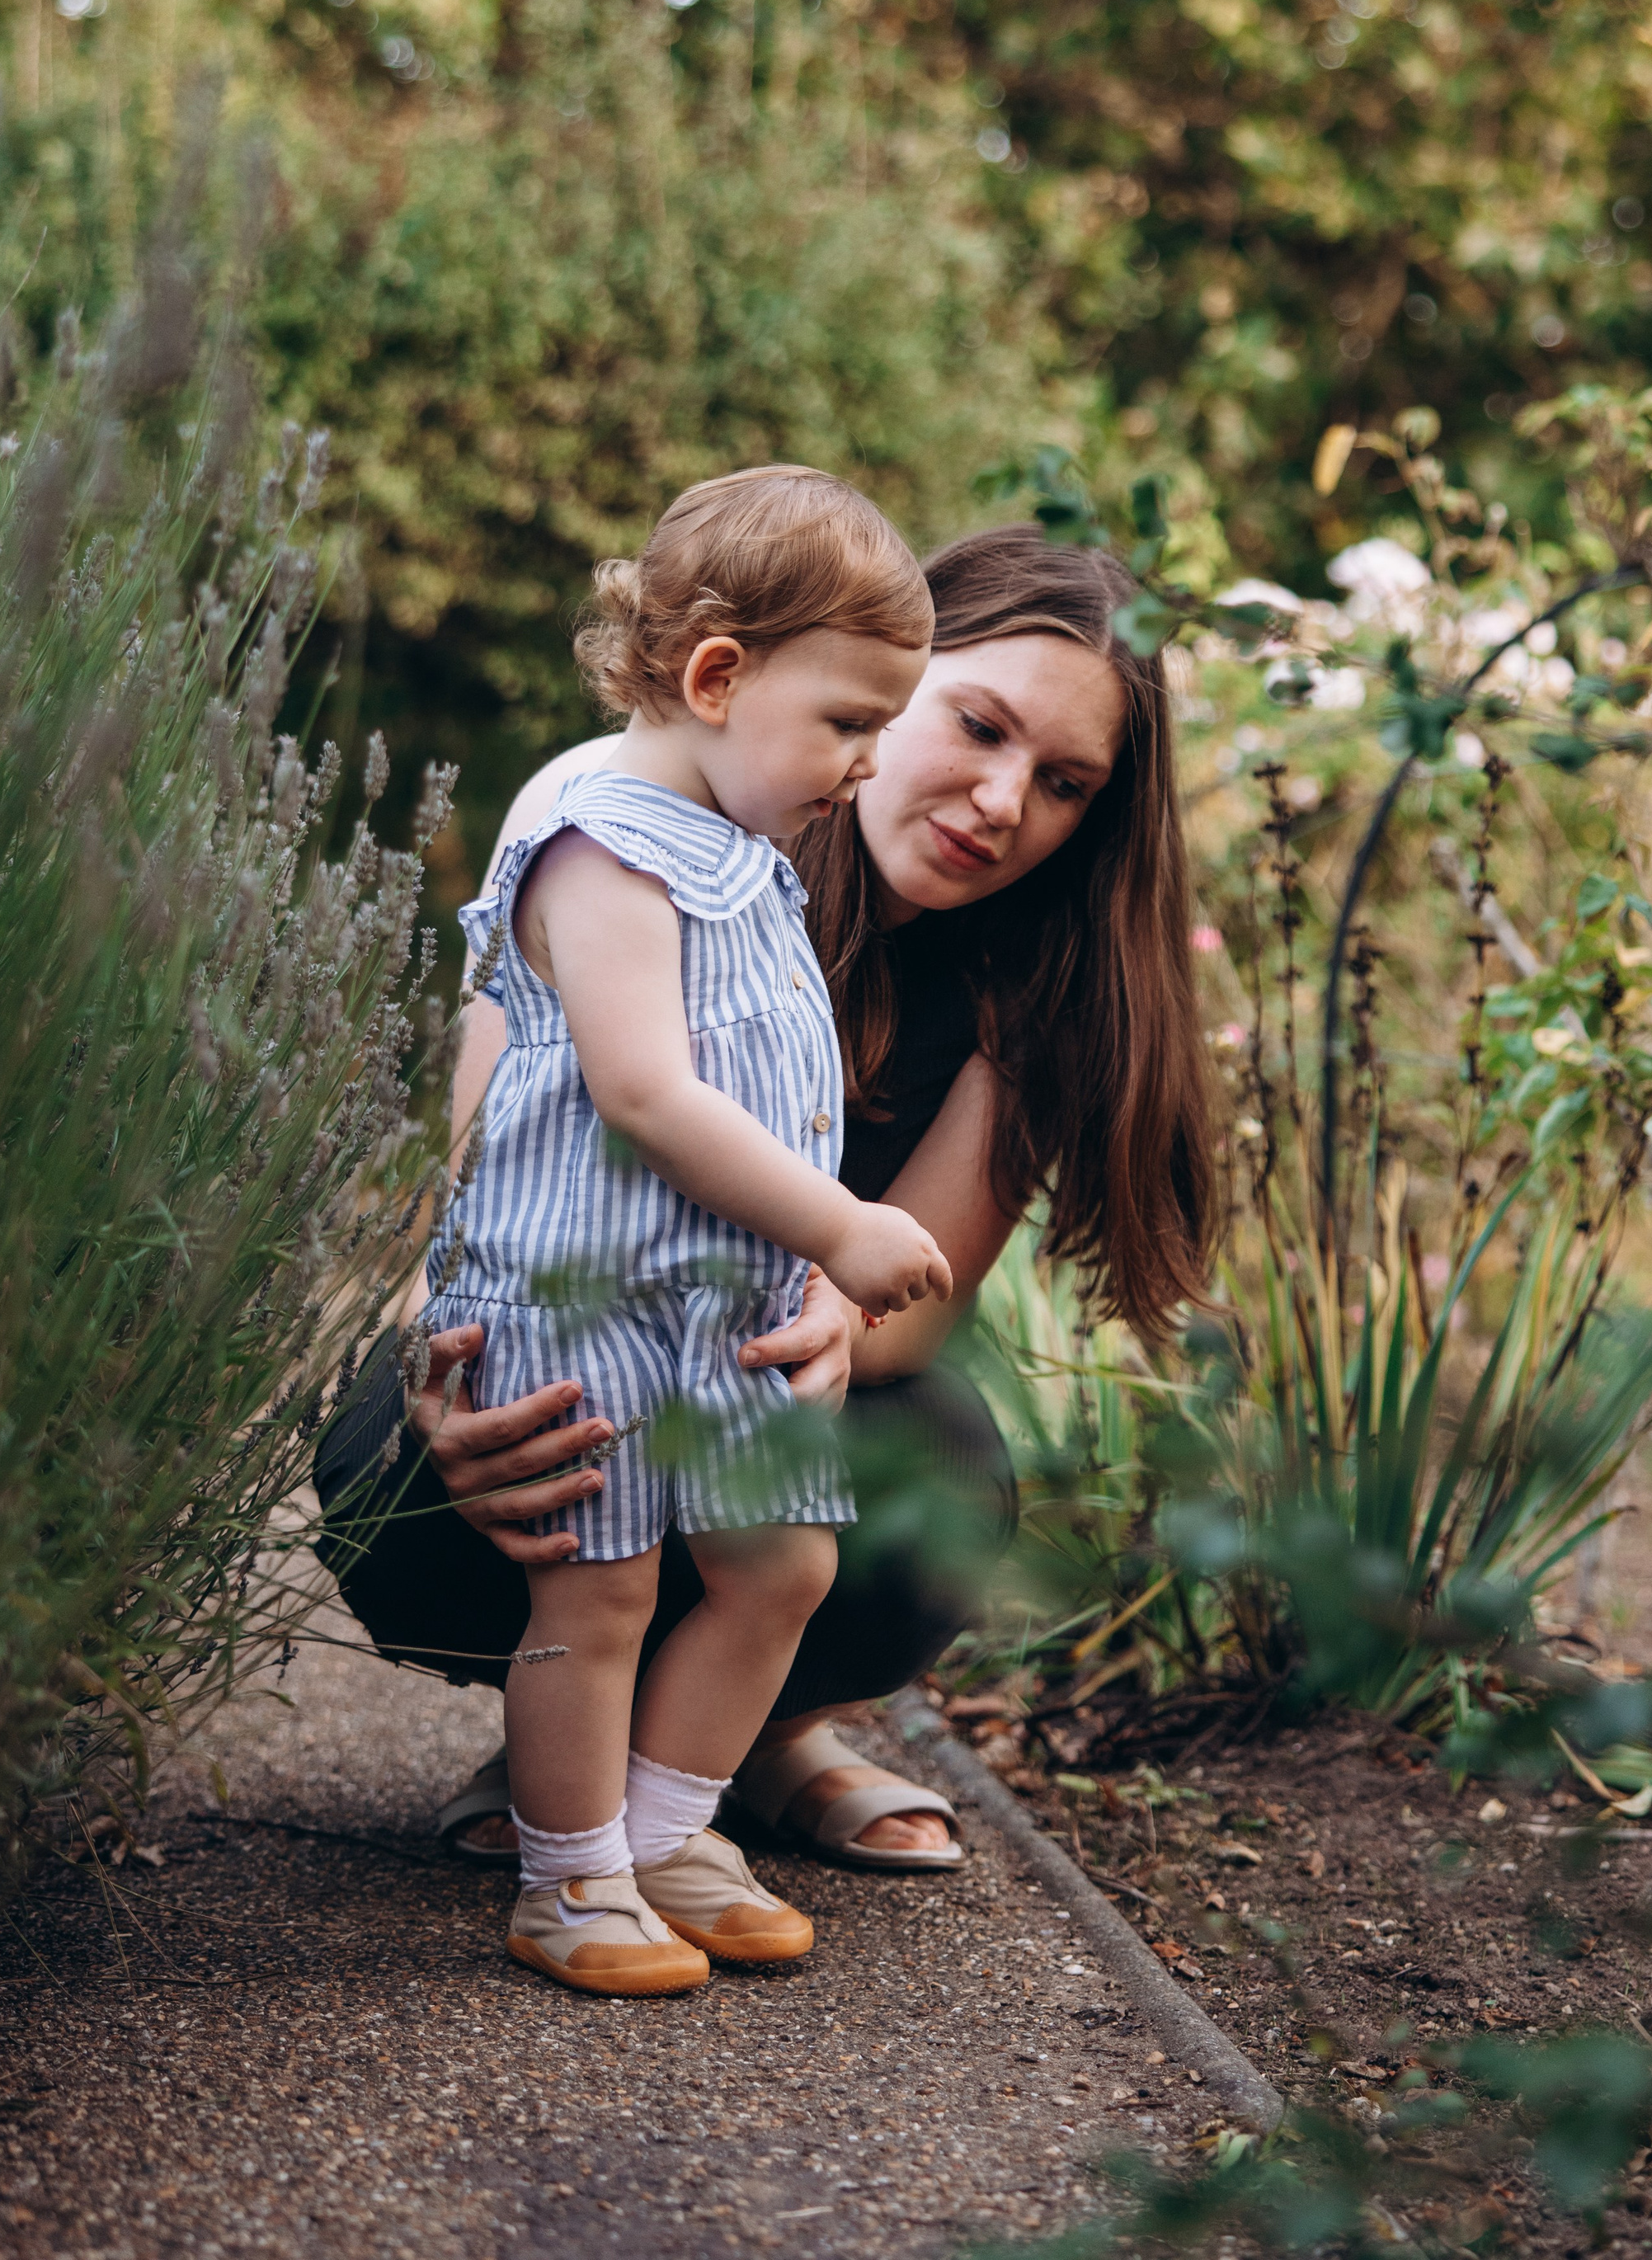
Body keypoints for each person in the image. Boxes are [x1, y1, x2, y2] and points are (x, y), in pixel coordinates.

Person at [317, 522, 1219, 1885]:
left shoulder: (1030, 995)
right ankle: (578, 1766)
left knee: (933, 1464)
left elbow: (915, 1298)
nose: (999, 798)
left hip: (765, 1385)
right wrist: (442, 1369)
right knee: (417, 1449)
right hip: (581, 1328)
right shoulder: (635, 851)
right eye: (975, 726)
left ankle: (751, 1747)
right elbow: (479, 1176)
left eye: (1063, 783)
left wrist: (833, 1320)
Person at [419, 464, 950, 1998]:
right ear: (717, 676)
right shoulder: (602, 836)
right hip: (583, 1298)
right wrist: (843, 1226)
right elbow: (643, 1089)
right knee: (599, 1595)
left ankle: (663, 1832)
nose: (865, 764)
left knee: (780, 1566)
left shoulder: (731, 837)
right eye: (849, 723)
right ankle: (568, 1878)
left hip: (717, 1300)